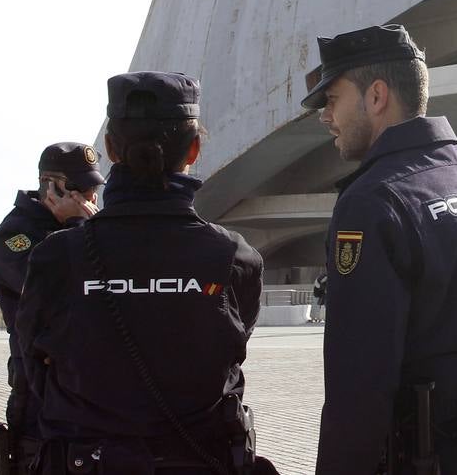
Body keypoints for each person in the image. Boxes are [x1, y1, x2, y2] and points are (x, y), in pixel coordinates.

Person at [304, 24, 457, 475]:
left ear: (376, 96)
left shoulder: (374, 202)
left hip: (424, 461)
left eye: (331, 99)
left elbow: (360, 383)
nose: (324, 116)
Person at [18, 71, 272, 473]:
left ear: (110, 149)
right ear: (194, 149)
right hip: (200, 462)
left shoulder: (57, 256)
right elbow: (231, 357)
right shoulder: (234, 257)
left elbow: (34, 370)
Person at [0, 141, 104, 468]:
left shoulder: (84, 229)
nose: (89, 197)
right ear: (50, 185)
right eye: (79, 188)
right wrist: (80, 228)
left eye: (93, 187)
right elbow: (55, 290)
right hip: (40, 390)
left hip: (90, 386)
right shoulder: (14, 236)